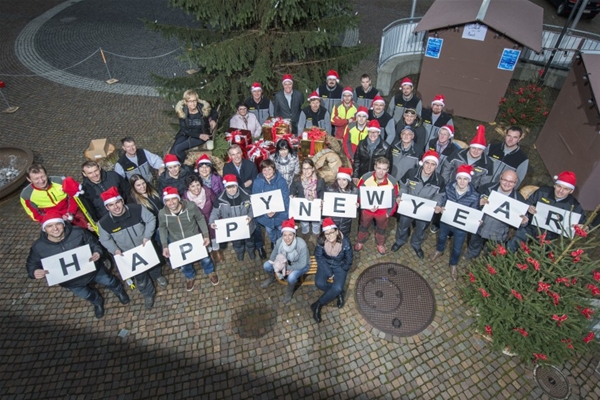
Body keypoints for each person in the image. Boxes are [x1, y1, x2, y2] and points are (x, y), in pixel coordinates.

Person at [26, 212, 130, 319]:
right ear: (44, 229)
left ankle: (119, 291)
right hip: (71, 281)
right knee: (87, 295)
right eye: (50, 226)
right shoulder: (38, 247)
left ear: (64, 224)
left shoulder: (78, 232)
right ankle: (97, 302)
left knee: (109, 281)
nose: (55, 229)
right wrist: (34, 272)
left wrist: (97, 252)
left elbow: (94, 243)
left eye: (58, 224)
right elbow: (31, 263)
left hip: (93, 270)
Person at [98, 187, 167, 310]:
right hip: (128, 254)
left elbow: (151, 219)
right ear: (107, 207)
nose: (116, 207)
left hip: (145, 247)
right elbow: (104, 239)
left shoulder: (137, 209)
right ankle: (148, 294)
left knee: (155, 266)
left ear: (122, 201)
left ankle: (158, 276)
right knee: (140, 277)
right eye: (111, 205)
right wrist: (115, 250)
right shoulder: (104, 223)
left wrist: (147, 236)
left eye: (117, 202)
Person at [158, 186, 219, 291]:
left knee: (205, 258)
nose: (171, 202)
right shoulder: (162, 213)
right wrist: (164, 245)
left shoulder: (190, 206)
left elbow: (200, 218)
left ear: (178, 199)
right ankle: (189, 276)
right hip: (177, 241)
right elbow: (162, 228)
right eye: (167, 200)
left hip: (194, 237)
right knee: (184, 263)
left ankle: (210, 271)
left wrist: (205, 235)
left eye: (173, 199)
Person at [508, 171, 585, 251]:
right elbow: (527, 203)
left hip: (549, 236)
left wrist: (583, 227)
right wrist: (529, 207)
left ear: (571, 191)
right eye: (559, 186)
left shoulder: (574, 205)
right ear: (555, 185)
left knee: (540, 255)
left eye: (566, 189)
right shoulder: (543, 191)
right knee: (514, 242)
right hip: (530, 226)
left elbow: (584, 224)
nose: (561, 191)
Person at [392, 151, 446, 258]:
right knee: (403, 225)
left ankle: (416, 244)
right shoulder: (411, 172)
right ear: (422, 162)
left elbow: (440, 195)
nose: (429, 167)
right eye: (427, 163)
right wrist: (400, 196)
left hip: (425, 209)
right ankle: (400, 240)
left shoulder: (439, 180)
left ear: (436, 166)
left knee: (421, 228)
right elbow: (403, 185)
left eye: (433, 164)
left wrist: (438, 205)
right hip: (408, 206)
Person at [465, 170, 528, 260]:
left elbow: (523, 221)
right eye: (505, 180)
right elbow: (471, 201)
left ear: (515, 183)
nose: (507, 184)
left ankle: (487, 262)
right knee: (474, 242)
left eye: (511, 182)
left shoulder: (519, 199)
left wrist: (524, 222)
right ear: (500, 179)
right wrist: (477, 203)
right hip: (480, 226)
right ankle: (471, 254)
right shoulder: (486, 188)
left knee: (491, 250)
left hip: (499, 233)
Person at [431, 164, 480, 280]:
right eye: (460, 178)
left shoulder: (474, 196)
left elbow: (475, 211)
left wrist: (476, 220)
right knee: (442, 237)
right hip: (446, 221)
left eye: (465, 179)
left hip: (460, 226)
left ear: (469, 180)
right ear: (456, 178)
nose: (462, 182)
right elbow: (443, 199)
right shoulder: (449, 188)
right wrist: (440, 206)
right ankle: (439, 250)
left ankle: (453, 264)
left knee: (458, 247)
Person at [223, 144, 266, 259]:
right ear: (229, 156)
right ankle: (242, 247)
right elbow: (230, 186)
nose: (236, 156)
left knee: (255, 224)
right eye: (233, 154)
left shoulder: (250, 165)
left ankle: (259, 246)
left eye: (238, 153)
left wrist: (248, 183)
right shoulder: (227, 168)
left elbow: (255, 180)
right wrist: (245, 184)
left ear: (242, 153)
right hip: (235, 201)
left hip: (251, 198)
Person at [311, 218, 354, 323]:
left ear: (337, 231)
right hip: (326, 264)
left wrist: (343, 268)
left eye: (331, 233)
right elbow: (319, 256)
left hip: (339, 265)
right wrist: (329, 273)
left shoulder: (345, 242)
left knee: (338, 287)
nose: (329, 236)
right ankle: (338, 293)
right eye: (327, 234)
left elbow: (349, 259)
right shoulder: (321, 240)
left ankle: (318, 304)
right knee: (319, 283)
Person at [20, 164, 88, 229]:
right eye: (36, 179)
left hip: (73, 212)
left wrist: (70, 213)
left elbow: (73, 196)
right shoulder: (26, 195)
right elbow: (34, 214)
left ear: (46, 174)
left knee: (87, 227)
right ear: (29, 179)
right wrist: (55, 219)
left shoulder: (60, 181)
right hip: (52, 220)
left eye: (43, 176)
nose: (41, 181)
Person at [355, 157, 399, 255]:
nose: (381, 172)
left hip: (383, 212)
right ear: (375, 167)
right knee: (363, 226)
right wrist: (364, 205)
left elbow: (394, 198)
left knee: (381, 229)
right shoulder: (366, 178)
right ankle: (360, 241)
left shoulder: (393, 182)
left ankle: (380, 243)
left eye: (384, 169)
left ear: (387, 170)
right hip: (367, 209)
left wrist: (389, 213)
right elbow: (358, 193)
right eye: (379, 168)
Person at [260, 218, 310, 304]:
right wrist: (276, 265)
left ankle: (289, 293)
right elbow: (273, 255)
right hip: (285, 264)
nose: (287, 238)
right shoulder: (279, 241)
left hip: (301, 265)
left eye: (290, 235)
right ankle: (272, 278)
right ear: (282, 235)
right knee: (266, 265)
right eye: (285, 235)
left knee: (291, 277)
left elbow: (302, 263)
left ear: (294, 235)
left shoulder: (301, 244)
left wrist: (287, 268)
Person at [209, 174, 256, 261]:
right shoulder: (220, 199)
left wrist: (250, 216)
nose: (231, 190)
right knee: (237, 244)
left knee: (250, 241)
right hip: (232, 230)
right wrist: (212, 221)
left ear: (237, 186)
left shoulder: (247, 195)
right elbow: (215, 212)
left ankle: (251, 252)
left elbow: (253, 208)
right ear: (225, 188)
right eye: (228, 188)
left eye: (233, 187)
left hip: (247, 226)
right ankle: (240, 253)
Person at [171, 89, 218, 163]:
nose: (192, 103)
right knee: (172, 152)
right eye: (190, 101)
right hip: (187, 133)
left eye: (194, 101)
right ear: (186, 102)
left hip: (202, 134)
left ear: (197, 100)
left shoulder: (203, 108)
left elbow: (214, 112)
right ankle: (175, 168)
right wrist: (199, 135)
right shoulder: (181, 111)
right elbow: (184, 130)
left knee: (178, 149)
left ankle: (186, 165)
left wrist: (213, 120)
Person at [441, 125, 493, 190]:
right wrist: (445, 186)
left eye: (479, 149)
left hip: (470, 194)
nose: (476, 151)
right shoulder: (457, 154)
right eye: (474, 148)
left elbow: (484, 185)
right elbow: (446, 170)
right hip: (450, 188)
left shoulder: (488, 164)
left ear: (483, 150)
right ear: (470, 147)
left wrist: (474, 196)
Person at [252, 158, 290, 248]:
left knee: (281, 229)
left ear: (274, 169)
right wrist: (266, 213)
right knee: (269, 231)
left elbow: (285, 199)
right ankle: (273, 241)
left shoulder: (281, 181)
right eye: (264, 169)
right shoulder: (257, 182)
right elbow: (256, 200)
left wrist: (276, 211)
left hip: (280, 215)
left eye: (269, 169)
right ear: (261, 171)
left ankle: (281, 244)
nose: (267, 172)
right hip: (266, 218)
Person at [183, 174, 221, 262]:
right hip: (198, 223)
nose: (196, 188)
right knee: (204, 237)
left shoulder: (208, 191)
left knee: (214, 235)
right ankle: (209, 251)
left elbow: (215, 205)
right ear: (188, 188)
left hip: (210, 217)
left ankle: (216, 250)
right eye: (192, 186)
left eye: (198, 185)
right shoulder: (185, 199)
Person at [289, 158, 326, 235]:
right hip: (303, 206)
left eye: (308, 168)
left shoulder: (320, 180)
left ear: (313, 168)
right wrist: (292, 194)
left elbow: (323, 192)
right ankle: (305, 234)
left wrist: (322, 201)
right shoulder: (297, 179)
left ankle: (315, 235)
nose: (306, 171)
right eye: (304, 168)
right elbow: (292, 188)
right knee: (304, 222)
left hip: (315, 206)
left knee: (316, 224)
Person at [352, 120, 392, 184]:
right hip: (362, 176)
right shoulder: (361, 144)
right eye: (370, 132)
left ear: (379, 133)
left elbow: (388, 167)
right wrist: (355, 175)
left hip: (377, 178)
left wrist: (384, 180)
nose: (372, 134)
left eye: (375, 132)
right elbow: (357, 160)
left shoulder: (386, 147)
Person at [326, 167, 359, 238]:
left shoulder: (354, 190)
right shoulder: (330, 189)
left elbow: (357, 203)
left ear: (348, 180)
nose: (341, 182)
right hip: (333, 220)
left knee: (344, 236)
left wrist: (357, 205)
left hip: (346, 221)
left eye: (344, 180)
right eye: (339, 179)